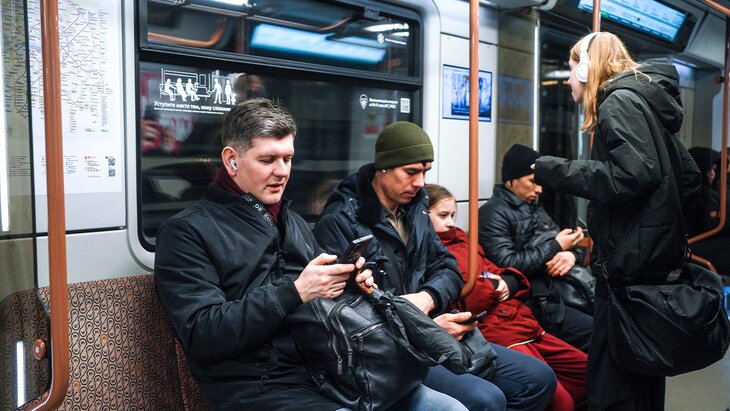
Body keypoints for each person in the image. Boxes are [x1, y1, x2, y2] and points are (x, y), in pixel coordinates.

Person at [154, 99, 465, 411]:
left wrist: (349, 281)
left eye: (287, 159)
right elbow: (203, 334)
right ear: (231, 160)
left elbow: (323, 302)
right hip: (259, 385)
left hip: (330, 369)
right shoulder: (186, 232)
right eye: (268, 160)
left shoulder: (292, 222)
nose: (282, 172)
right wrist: (295, 291)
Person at [315, 121, 558, 411]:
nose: (419, 182)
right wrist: (423, 328)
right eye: (411, 172)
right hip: (387, 349)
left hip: (433, 327)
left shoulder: (416, 209)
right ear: (383, 168)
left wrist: (429, 298)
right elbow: (345, 313)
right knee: (486, 399)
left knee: (538, 379)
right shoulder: (341, 220)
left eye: (425, 172)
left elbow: (447, 266)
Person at [532, 32, 701, 410]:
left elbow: (633, 174)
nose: (569, 78)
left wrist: (555, 170)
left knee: (613, 384)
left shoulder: (618, 102)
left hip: (627, 268)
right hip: (647, 262)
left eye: (572, 68)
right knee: (640, 373)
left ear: (587, 69)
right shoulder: (645, 103)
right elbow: (688, 179)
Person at [427, 183, 587, 411]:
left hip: (520, 317)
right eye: (443, 215)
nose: (451, 222)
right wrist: (500, 284)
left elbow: (500, 272)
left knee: (585, 372)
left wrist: (509, 281)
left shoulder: (461, 239)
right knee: (559, 399)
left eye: (453, 215)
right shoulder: (435, 248)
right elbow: (470, 295)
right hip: (496, 326)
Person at [478, 144, 592, 353]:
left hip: (557, 290)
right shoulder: (492, 214)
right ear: (511, 180)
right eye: (532, 182)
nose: (539, 190)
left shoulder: (534, 208)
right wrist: (557, 246)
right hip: (533, 300)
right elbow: (508, 263)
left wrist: (570, 255)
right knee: (596, 330)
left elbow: (566, 245)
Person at [685, 147, 729, 278]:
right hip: (690, 247)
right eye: (709, 169)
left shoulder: (710, 191)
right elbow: (709, 223)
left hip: (695, 245)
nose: (712, 174)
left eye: (715, 169)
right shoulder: (698, 194)